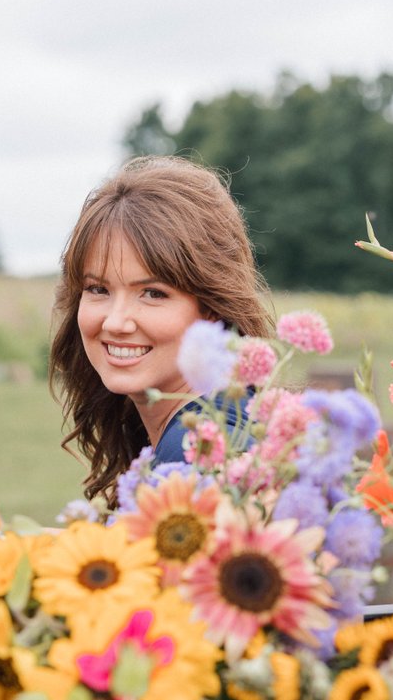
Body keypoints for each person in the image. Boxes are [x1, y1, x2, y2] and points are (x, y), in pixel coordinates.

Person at [49, 155, 273, 505]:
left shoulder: (198, 457)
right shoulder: (224, 423)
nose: (116, 322)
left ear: (212, 308)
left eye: (153, 293)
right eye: (98, 289)